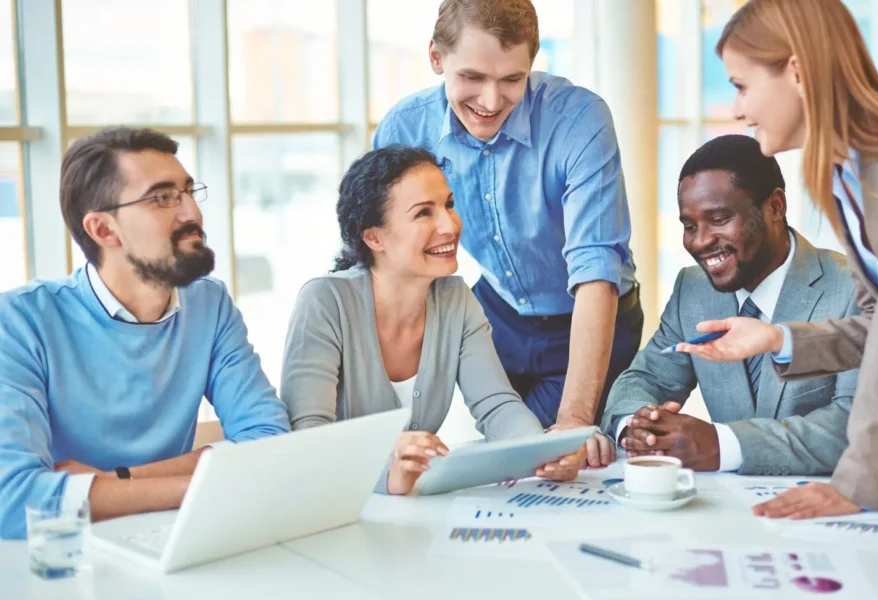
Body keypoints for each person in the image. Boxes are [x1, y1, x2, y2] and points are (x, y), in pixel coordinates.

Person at [676, 0, 878, 534]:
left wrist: (857, 483)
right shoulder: (844, 176)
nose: (737, 109)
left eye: (741, 85)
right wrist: (777, 338)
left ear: (797, 71)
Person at [372, 0, 643, 468]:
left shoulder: (579, 119)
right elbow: (383, 260)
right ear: (436, 58)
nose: (491, 101)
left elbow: (596, 268)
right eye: (472, 77)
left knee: (549, 461)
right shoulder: (406, 127)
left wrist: (574, 419)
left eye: (512, 79)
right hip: (497, 314)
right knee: (506, 464)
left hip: (589, 317)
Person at [0, 127, 291, 539]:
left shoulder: (209, 304)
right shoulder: (20, 321)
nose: (191, 213)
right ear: (104, 230)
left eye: (188, 191)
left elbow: (270, 441)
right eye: (162, 198)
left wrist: (117, 480)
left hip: (174, 542)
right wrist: (191, 488)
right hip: (67, 555)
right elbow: (12, 499)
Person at [600, 135, 878, 477]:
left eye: (719, 219)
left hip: (851, 495)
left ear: (775, 207)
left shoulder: (857, 288)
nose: (700, 241)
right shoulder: (693, 288)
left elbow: (859, 423)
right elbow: (646, 378)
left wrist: (722, 445)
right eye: (689, 226)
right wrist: (638, 427)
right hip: (741, 501)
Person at [281, 145, 583, 496]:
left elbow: (497, 406)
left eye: (449, 205)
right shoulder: (325, 302)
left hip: (410, 509)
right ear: (373, 236)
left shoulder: (456, 298)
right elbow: (307, 439)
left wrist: (542, 453)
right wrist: (386, 475)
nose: (450, 225)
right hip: (333, 508)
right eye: (424, 213)